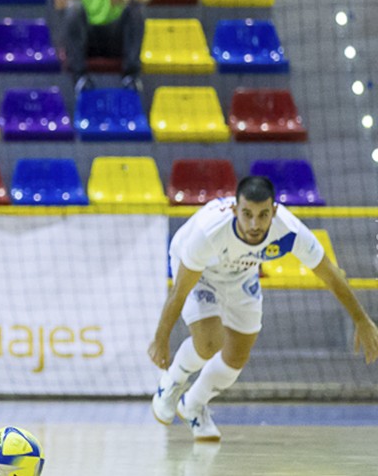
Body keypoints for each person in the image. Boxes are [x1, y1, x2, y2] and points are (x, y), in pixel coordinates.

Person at [148, 176, 378, 441]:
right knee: (209, 342)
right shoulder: (209, 232)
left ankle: (193, 405)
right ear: (235, 210)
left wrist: (362, 319)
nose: (255, 224)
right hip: (202, 273)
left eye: (263, 215)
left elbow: (329, 274)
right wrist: (161, 338)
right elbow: (179, 292)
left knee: (236, 357)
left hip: (242, 274)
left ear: (274, 211)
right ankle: (172, 383)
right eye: (247, 214)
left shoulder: (290, 231)